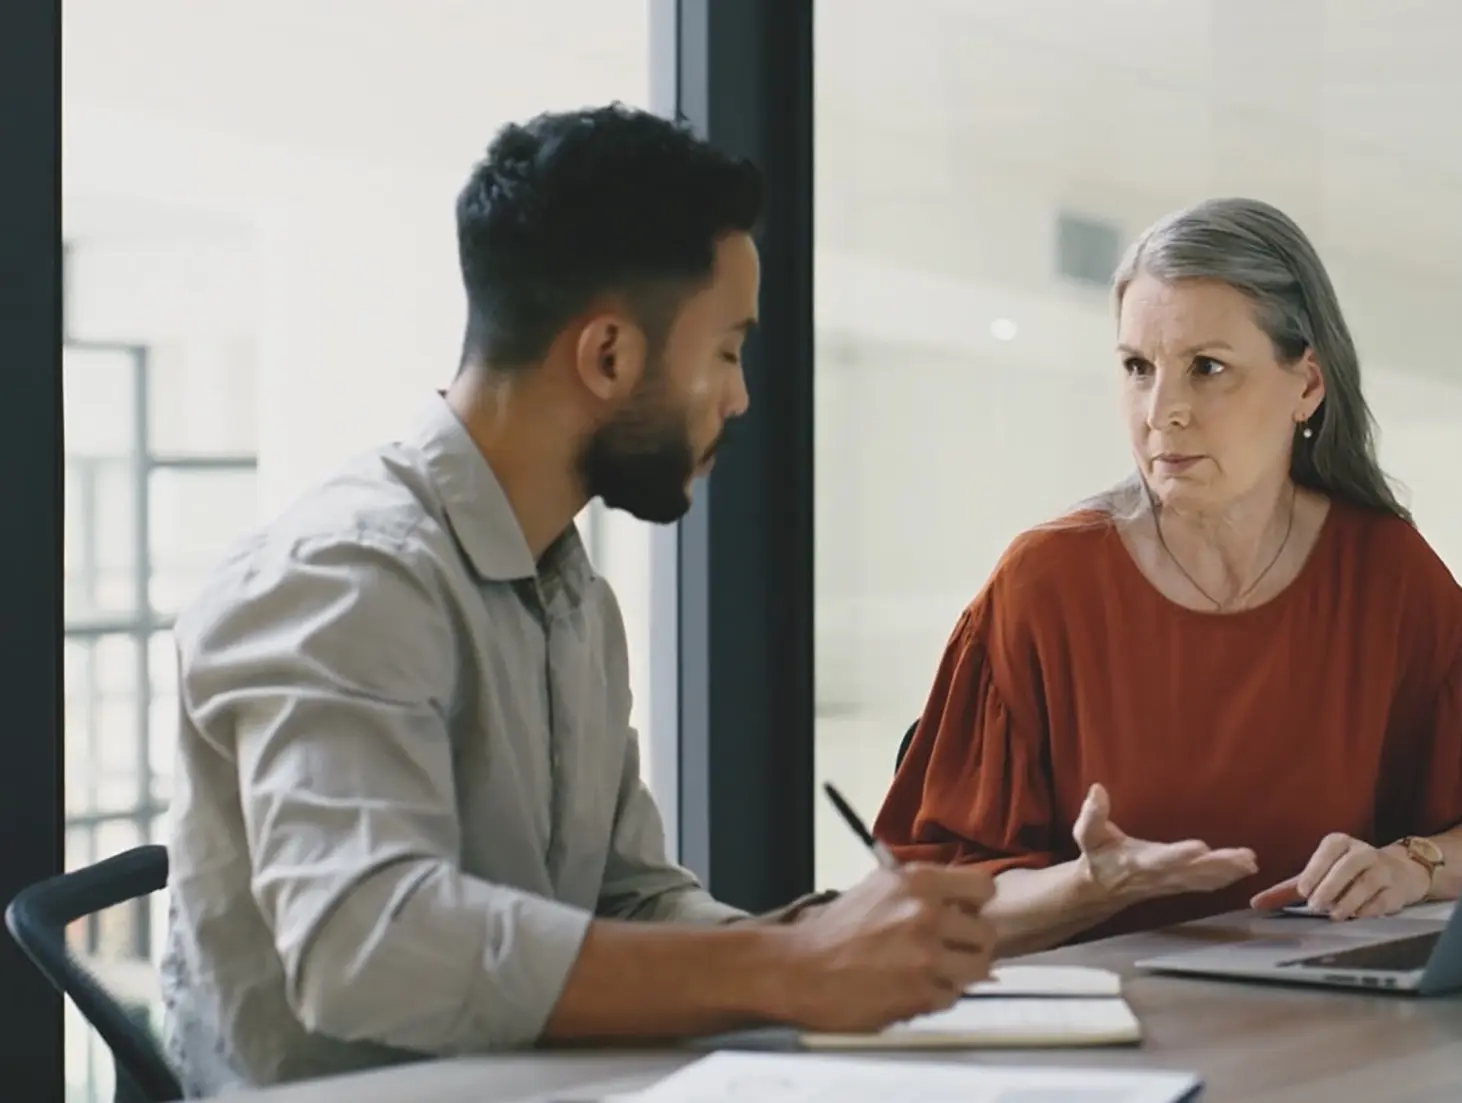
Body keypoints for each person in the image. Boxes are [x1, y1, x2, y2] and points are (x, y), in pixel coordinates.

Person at [160, 104, 998, 1094]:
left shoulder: (571, 595)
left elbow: (629, 898)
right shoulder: (345, 575)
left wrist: (837, 940)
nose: (739, 397)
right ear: (607, 355)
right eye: (727, 350)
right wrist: (787, 969)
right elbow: (369, 946)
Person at [873, 197, 1462, 958]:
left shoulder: (1390, 575)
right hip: (1117, 1045)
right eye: (1137, 368)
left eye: (1207, 368)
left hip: (1331, 1041)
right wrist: (1089, 886)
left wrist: (1413, 865)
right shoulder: (1042, 586)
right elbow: (929, 901)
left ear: (1308, 385)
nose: (1163, 411)